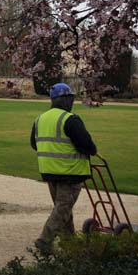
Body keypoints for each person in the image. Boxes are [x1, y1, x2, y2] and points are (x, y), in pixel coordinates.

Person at [31, 82, 98, 254]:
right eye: (71, 99)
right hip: (71, 172)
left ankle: (70, 243)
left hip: (49, 171)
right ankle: (45, 240)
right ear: (66, 99)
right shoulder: (70, 119)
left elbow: (34, 144)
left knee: (63, 207)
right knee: (63, 208)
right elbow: (88, 146)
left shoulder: (40, 119)